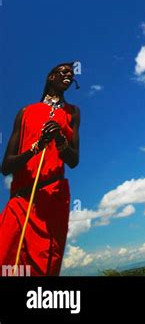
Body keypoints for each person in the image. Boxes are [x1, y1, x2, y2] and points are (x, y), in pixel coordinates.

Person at [0, 62, 80, 276]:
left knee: (42, 268)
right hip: (20, 199)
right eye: (63, 71)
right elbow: (6, 166)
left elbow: (74, 160)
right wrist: (36, 148)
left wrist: (60, 140)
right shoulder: (25, 112)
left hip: (52, 199)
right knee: (5, 262)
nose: (69, 75)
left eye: (71, 74)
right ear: (51, 77)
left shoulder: (73, 113)